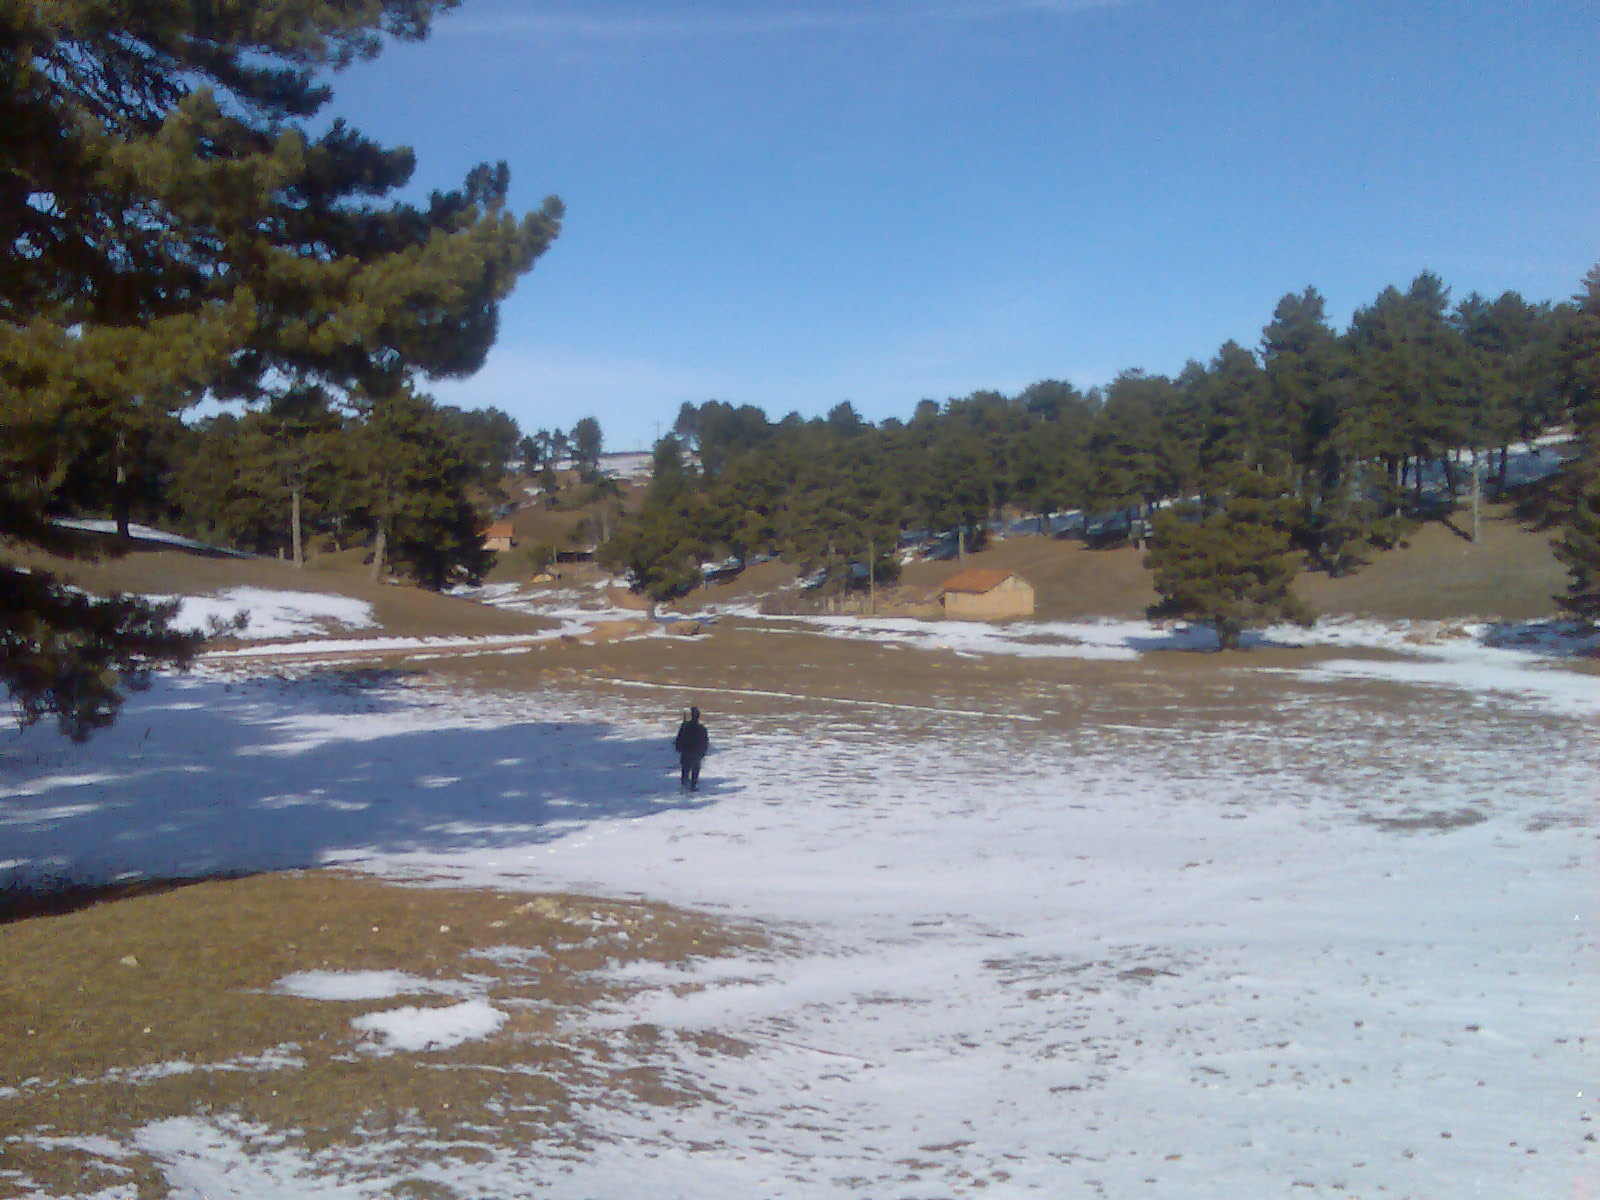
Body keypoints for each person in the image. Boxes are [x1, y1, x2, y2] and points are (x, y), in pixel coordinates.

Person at [674, 706, 709, 792]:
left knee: (685, 772)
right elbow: (705, 742)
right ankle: (692, 787)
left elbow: (679, 738)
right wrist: (703, 753)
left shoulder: (685, 726)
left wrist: (678, 748)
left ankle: (684, 789)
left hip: (686, 752)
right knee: (694, 772)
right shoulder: (701, 728)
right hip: (696, 753)